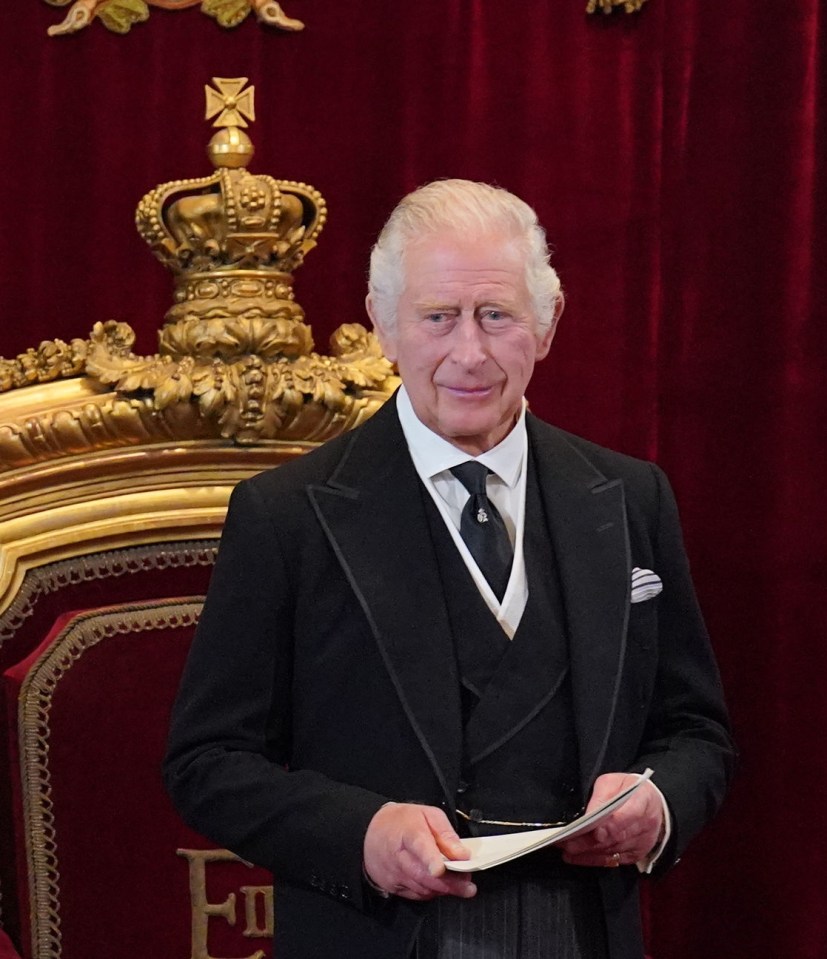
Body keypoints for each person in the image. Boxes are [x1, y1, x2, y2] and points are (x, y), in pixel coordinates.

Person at [164, 179, 735, 959]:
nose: (469, 352)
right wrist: (360, 832)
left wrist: (659, 802)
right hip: (382, 934)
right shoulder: (287, 515)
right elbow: (207, 763)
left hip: (583, 933)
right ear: (383, 324)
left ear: (546, 323)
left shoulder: (632, 498)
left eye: (495, 316)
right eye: (439, 318)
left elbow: (696, 732)